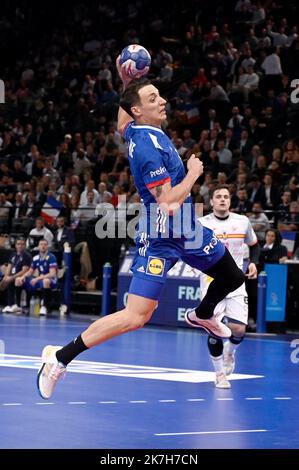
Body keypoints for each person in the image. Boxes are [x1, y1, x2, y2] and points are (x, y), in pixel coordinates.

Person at [36, 59, 245, 400]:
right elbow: (168, 202)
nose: (161, 100)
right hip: (162, 235)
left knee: (232, 277)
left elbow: (123, 116)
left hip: (188, 228)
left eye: (159, 95)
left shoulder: (135, 129)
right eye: (152, 98)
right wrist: (193, 173)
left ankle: (202, 314)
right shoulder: (147, 148)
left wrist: (125, 80)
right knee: (136, 316)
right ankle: (59, 359)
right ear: (139, 111)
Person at [199, 185, 259, 388]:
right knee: (214, 328)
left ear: (230, 201)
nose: (222, 199)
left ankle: (229, 353)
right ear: (212, 201)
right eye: (218, 196)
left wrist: (252, 262)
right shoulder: (201, 223)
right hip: (211, 282)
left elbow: (254, 244)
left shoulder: (242, 222)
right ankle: (219, 375)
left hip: (236, 281)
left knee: (239, 329)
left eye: (226, 196)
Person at [15, 239, 58, 316]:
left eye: (45, 244)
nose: (43, 246)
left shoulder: (51, 257)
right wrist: (23, 277)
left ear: (47, 246)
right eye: (41, 244)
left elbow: (52, 273)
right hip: (40, 279)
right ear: (38, 246)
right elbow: (30, 271)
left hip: (51, 280)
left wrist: (37, 278)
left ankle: (44, 307)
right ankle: (18, 306)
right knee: (18, 280)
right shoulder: (35, 258)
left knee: (46, 281)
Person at [1, 238, 32, 314]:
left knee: (12, 280)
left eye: (22, 244)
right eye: (18, 244)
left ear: (25, 246)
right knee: (4, 281)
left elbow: (24, 271)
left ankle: (15, 305)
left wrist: (11, 277)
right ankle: (9, 305)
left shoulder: (27, 256)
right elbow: (9, 267)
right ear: (15, 245)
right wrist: (5, 277)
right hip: (13, 276)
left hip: (23, 277)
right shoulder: (13, 255)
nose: (20, 246)